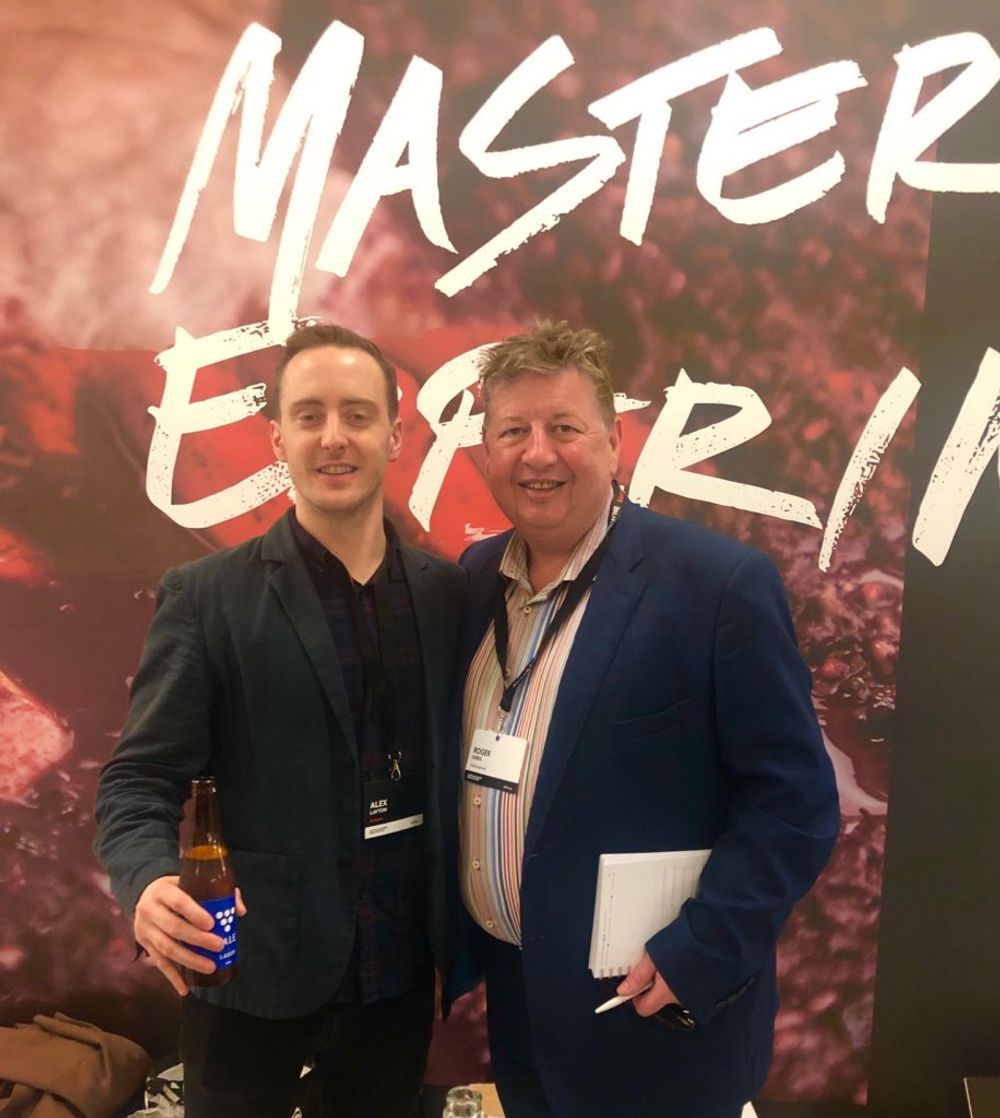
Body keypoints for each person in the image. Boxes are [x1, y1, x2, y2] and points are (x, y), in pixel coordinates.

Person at [449, 320, 840, 1118]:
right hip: (520, 1010)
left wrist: (704, 953)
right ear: (486, 451)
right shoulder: (474, 578)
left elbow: (794, 802)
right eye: (513, 431)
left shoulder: (717, 585)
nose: (537, 454)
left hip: (651, 1016)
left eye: (564, 427)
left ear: (615, 442)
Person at [95, 323, 465, 1118]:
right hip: (247, 975)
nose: (334, 437)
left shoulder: (448, 595)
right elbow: (139, 779)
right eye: (309, 415)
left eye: (357, 414)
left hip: (399, 977)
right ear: (277, 439)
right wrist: (148, 881)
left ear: (396, 434)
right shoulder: (207, 596)